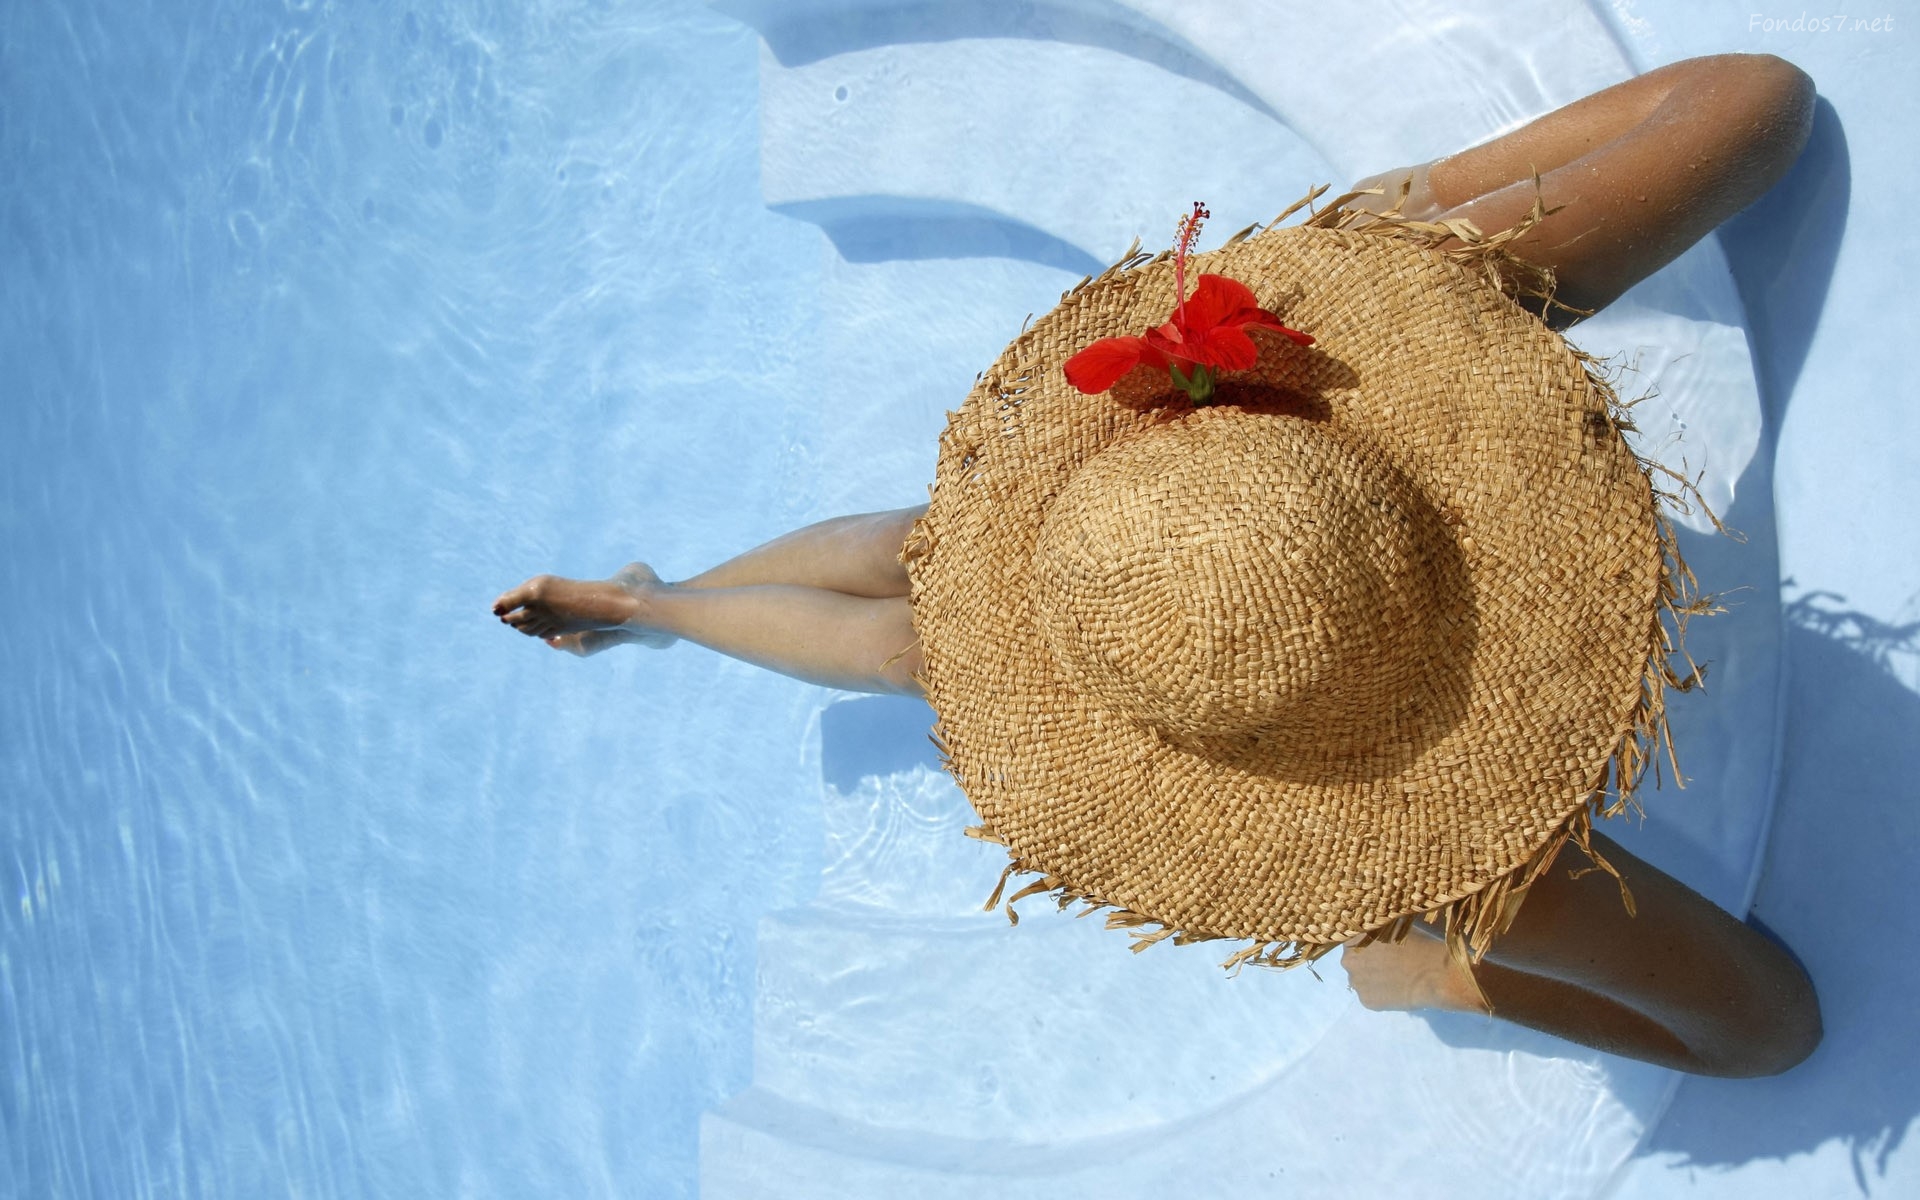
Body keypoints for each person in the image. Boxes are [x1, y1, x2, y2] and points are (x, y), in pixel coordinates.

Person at [493, 54, 1822, 1077]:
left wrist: (1422, 977)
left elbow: (1773, 1038)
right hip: (1241, 490)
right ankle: (645, 602)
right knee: (916, 608)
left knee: (917, 594)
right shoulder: (1471, 297)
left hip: (1154, 530)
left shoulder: (1454, 289)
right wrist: (1414, 225)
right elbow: (1760, 99)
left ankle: (645, 601)